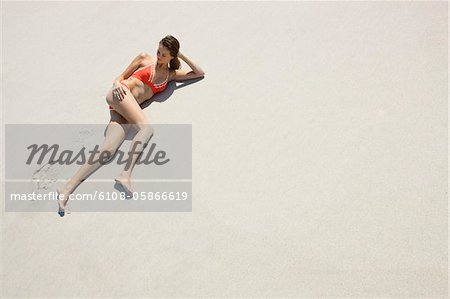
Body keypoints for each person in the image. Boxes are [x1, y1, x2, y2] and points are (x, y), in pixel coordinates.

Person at [56, 35, 205, 217]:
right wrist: (117, 83)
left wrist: (180, 54)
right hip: (119, 95)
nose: (159, 56)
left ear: (172, 57)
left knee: (108, 150)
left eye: (164, 55)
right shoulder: (144, 58)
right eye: (158, 51)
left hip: (124, 111)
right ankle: (125, 174)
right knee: (146, 129)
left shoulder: (170, 75)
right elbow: (119, 77)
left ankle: (66, 189)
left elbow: (199, 72)